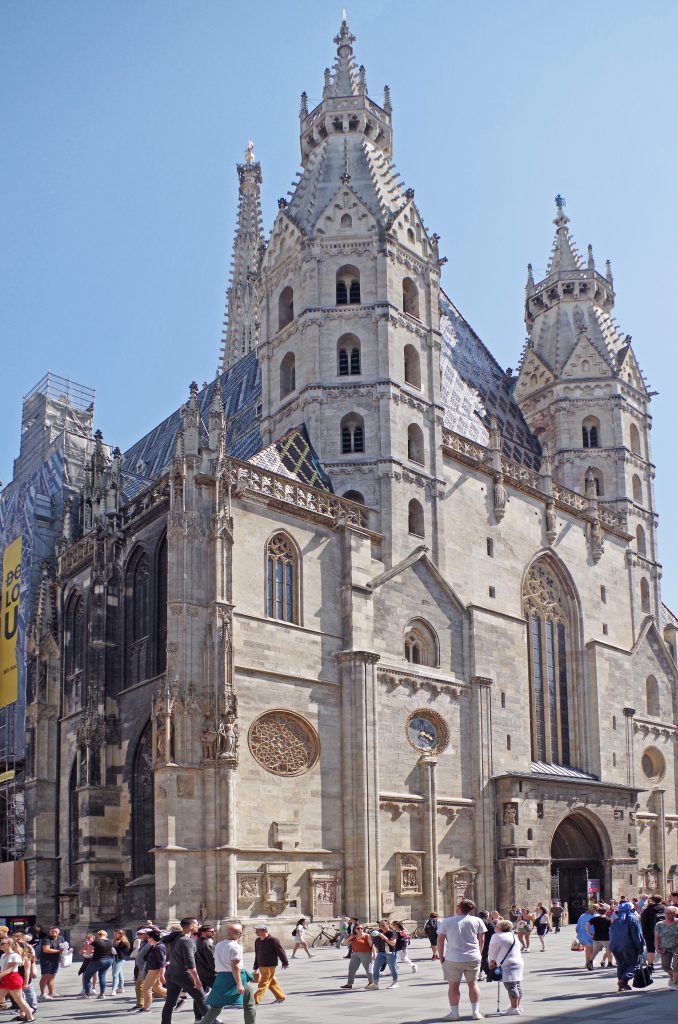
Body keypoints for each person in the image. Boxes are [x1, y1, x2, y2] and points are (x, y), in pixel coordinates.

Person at [437, 897, 487, 1021]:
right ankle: (475, 1012)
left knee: (453, 986)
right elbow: (482, 939)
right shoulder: (477, 920)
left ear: (459, 907)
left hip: (453, 957)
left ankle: (454, 1014)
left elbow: (440, 940)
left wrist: (440, 955)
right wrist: (479, 953)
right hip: (473, 956)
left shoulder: (447, 921)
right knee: (473, 984)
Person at [199, 921, 256, 1024]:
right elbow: (235, 966)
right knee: (249, 1004)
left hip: (221, 977)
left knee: (216, 1006)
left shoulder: (218, 945)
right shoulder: (236, 947)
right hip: (234, 977)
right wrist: (239, 984)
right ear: (239, 934)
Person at [160, 917, 209, 1024]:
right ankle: (213, 1021)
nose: (199, 926)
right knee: (202, 998)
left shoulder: (177, 937)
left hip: (172, 973)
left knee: (170, 1003)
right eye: (197, 924)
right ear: (191, 926)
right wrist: (196, 979)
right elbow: (190, 963)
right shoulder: (187, 941)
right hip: (183, 974)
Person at [487, 919, 523, 1016]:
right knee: (517, 985)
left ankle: (514, 1008)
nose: (495, 927)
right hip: (518, 962)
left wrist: (492, 961)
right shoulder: (513, 935)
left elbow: (492, 950)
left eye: (497, 926)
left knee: (510, 986)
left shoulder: (497, 936)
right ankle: (517, 1006)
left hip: (507, 964)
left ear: (500, 927)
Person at [609, 900, 645, 992]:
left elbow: (611, 934)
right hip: (629, 946)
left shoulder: (616, 920)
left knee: (621, 965)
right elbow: (637, 935)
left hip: (615, 946)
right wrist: (640, 947)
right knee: (635, 964)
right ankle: (624, 980)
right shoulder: (633, 919)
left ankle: (621, 984)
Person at [0, 937, 34, 1021]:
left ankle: (30, 1017)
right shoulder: (3, 955)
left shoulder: (15, 955)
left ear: (9, 945)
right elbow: (3, 969)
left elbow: (10, 970)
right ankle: (29, 1014)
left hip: (13, 979)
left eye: (2, 943)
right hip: (5, 979)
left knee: (19, 1000)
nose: (0, 945)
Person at [253, 923, 288, 1004]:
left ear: (263, 931)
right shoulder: (257, 941)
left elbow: (280, 951)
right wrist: (256, 966)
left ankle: (254, 1000)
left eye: (257, 931)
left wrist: (285, 962)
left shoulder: (273, 940)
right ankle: (280, 996)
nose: (255, 932)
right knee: (271, 981)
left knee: (264, 982)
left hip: (270, 965)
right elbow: (257, 954)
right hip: (261, 965)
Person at [82, 929, 115, 999]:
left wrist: (84, 951)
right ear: (105, 935)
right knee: (102, 976)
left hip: (98, 960)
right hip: (108, 960)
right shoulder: (110, 942)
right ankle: (102, 994)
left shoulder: (96, 942)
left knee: (86, 976)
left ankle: (87, 994)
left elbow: (88, 952)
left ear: (98, 935)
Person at [340, 923, 374, 989]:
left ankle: (371, 982)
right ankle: (349, 984)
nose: (360, 930)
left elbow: (372, 946)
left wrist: (373, 954)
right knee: (351, 969)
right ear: (355, 929)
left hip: (365, 953)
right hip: (355, 954)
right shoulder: (353, 937)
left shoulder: (367, 936)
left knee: (368, 969)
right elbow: (344, 944)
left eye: (361, 928)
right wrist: (350, 938)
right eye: (358, 928)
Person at [140, 929, 167, 1011]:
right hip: (152, 969)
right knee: (157, 988)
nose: (147, 939)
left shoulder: (159, 947)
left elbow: (162, 962)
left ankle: (146, 1007)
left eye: (148, 937)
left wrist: (162, 975)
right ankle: (177, 999)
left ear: (152, 938)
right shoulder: (154, 946)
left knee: (146, 988)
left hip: (155, 970)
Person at [655, 904, 678, 987]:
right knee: (665, 966)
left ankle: (675, 983)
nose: (667, 915)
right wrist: (657, 948)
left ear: (675, 914)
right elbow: (657, 937)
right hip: (665, 947)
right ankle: (673, 976)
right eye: (666, 913)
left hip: (676, 947)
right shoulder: (659, 924)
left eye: (670, 913)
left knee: (676, 966)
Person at [640, 894, 664, 970]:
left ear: (652, 900)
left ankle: (650, 965)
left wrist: (643, 933)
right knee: (665, 948)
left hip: (650, 932)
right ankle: (666, 963)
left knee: (650, 949)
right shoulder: (665, 908)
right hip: (664, 932)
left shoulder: (647, 910)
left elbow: (643, 923)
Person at [38, 927, 62, 1000]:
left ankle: (51, 993)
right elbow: (46, 950)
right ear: (49, 932)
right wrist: (59, 951)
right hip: (46, 960)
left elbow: (63, 946)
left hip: (55, 959)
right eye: (52, 931)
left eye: (55, 931)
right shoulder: (46, 939)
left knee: (52, 977)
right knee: (45, 976)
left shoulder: (61, 938)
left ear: (59, 932)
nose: (54, 932)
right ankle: (42, 994)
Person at [195, 925, 217, 999]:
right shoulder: (206, 944)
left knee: (201, 996)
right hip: (210, 974)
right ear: (203, 933)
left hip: (201, 972)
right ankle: (214, 1008)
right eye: (211, 931)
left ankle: (199, 1010)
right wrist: (217, 970)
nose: (214, 933)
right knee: (221, 991)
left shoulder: (198, 941)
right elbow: (212, 959)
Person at [133, 930, 151, 1009]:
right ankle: (140, 1004)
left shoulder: (150, 943)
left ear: (147, 935)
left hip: (146, 967)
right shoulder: (143, 942)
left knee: (140, 985)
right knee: (157, 988)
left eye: (140, 934)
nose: (138, 935)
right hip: (141, 967)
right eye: (138, 934)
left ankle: (141, 1004)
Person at [111, 929, 130, 996]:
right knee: (119, 973)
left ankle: (114, 989)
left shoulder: (124, 942)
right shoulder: (114, 941)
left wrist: (115, 951)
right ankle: (121, 988)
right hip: (114, 958)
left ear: (120, 934)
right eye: (114, 934)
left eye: (116, 934)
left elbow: (126, 952)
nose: (114, 935)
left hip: (120, 959)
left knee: (115, 974)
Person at [478, 912, 495, 981]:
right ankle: (487, 973)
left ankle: (482, 973)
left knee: (483, 957)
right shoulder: (487, 922)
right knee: (484, 957)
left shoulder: (478, 921)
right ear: (487, 915)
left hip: (481, 941)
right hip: (486, 942)